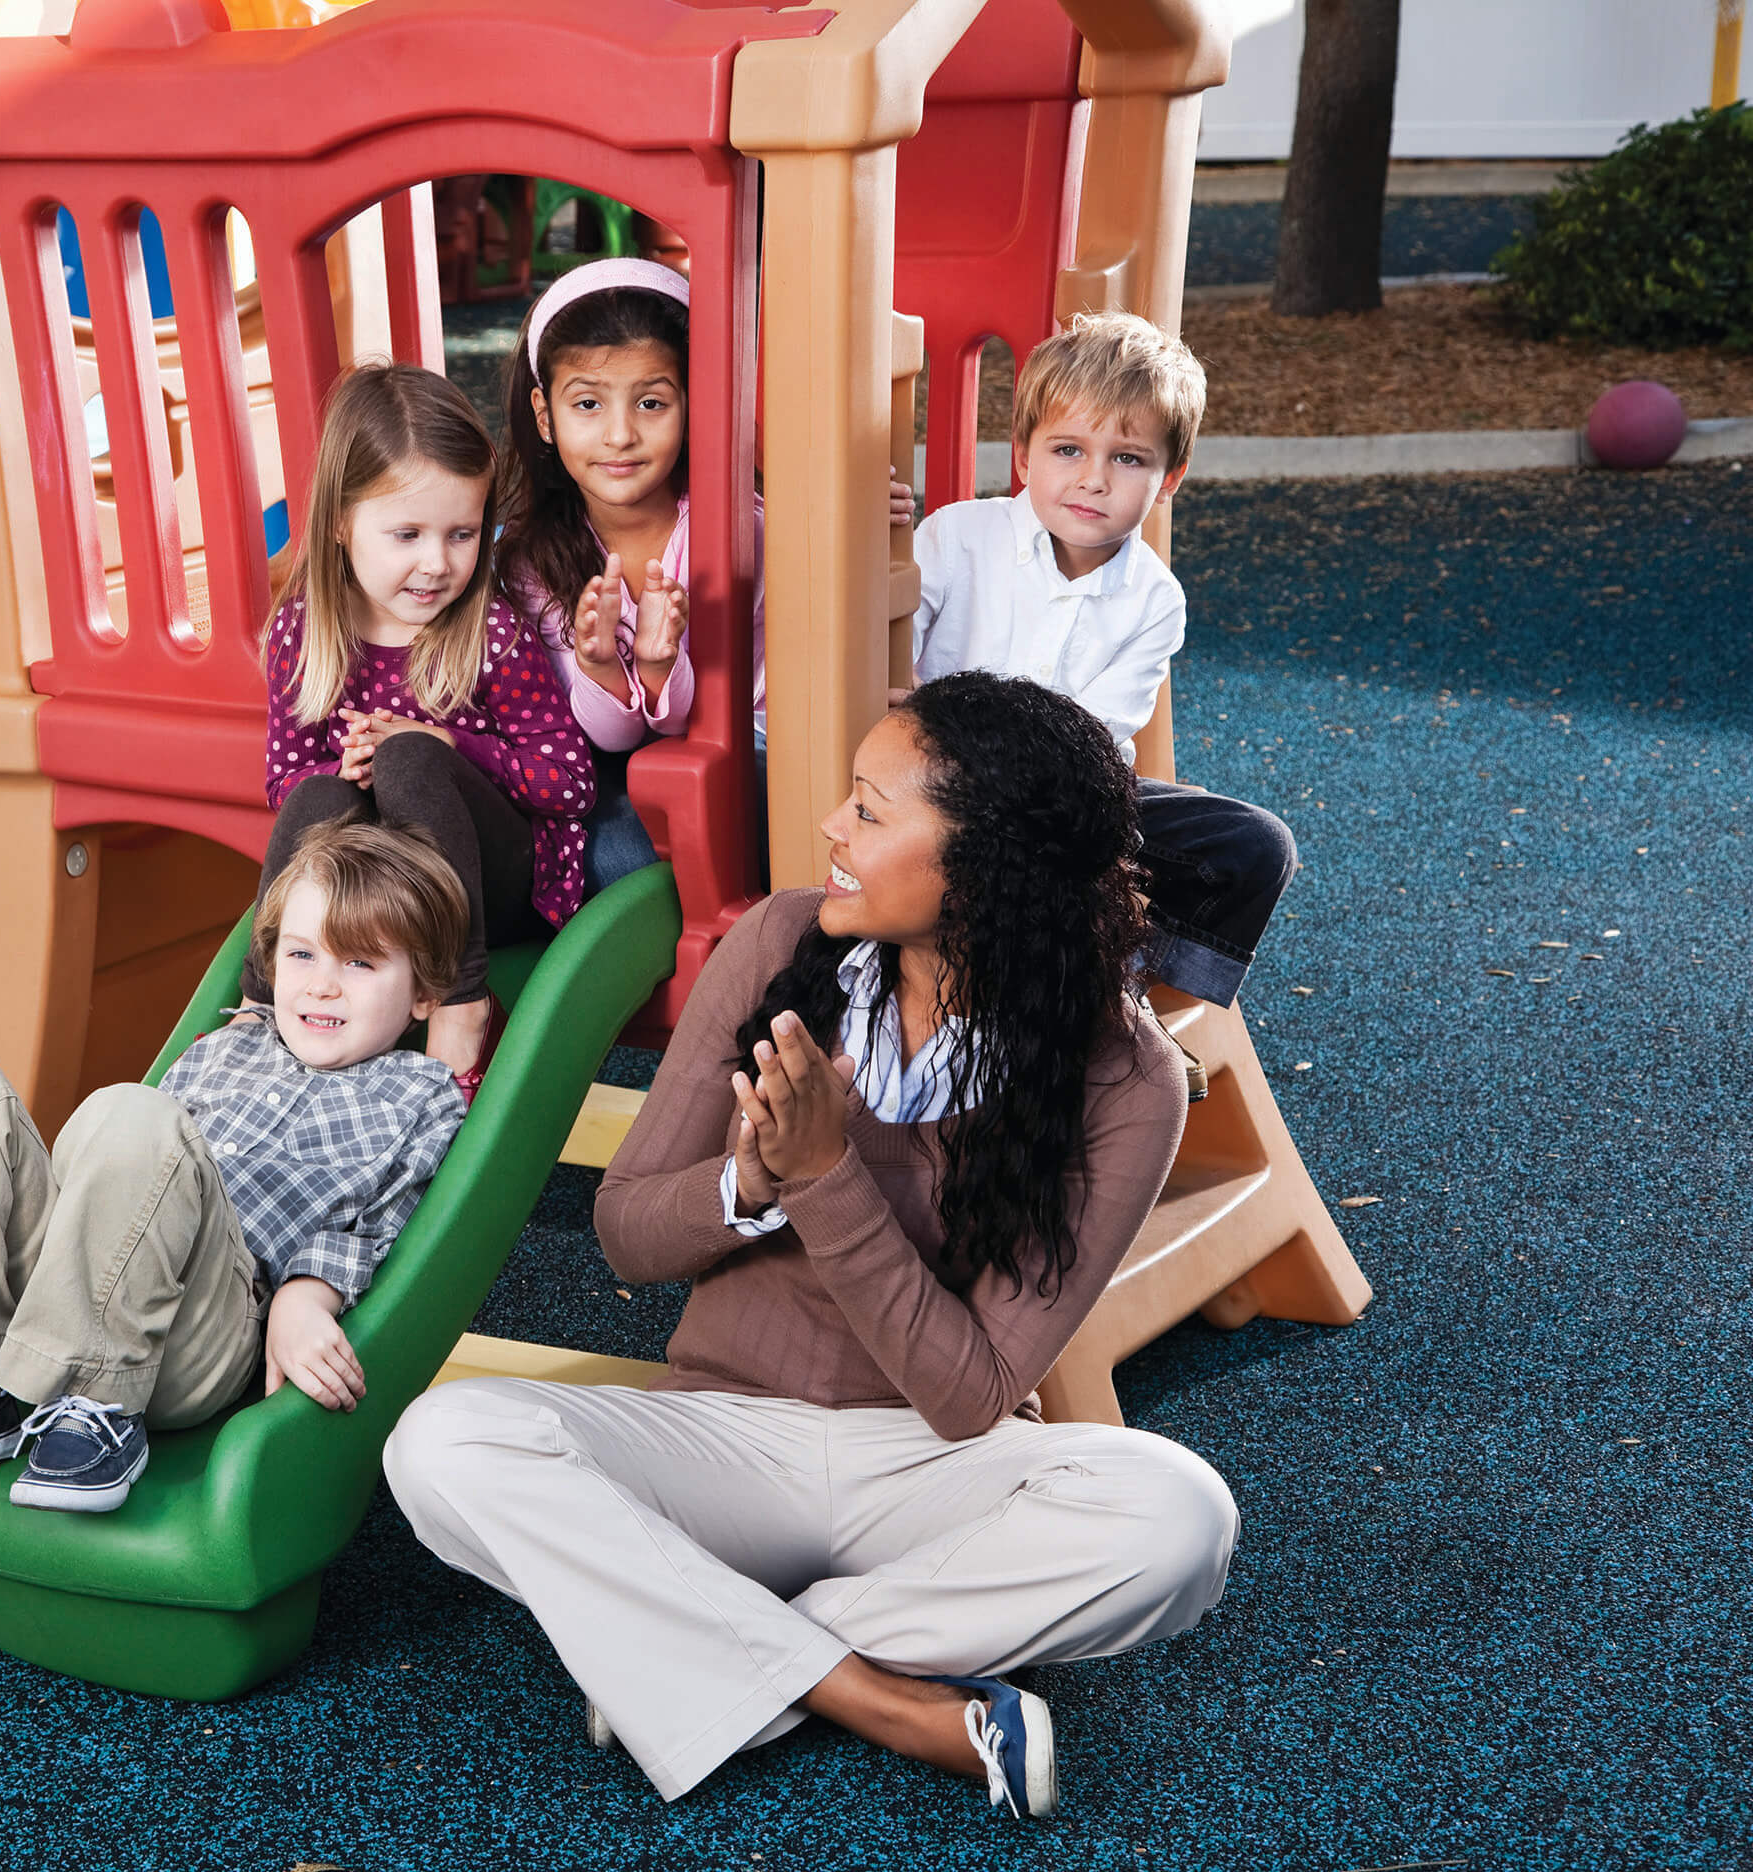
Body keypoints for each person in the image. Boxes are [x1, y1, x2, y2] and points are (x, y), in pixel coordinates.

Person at [384, 672, 1238, 1819]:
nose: (833, 829)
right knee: (441, 1444)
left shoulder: (1126, 1076)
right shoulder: (783, 941)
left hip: (933, 1469)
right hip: (720, 1438)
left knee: (1183, 1520)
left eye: (872, 811)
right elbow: (627, 1237)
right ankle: (882, 1699)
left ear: (988, 867)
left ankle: (688, 1645)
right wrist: (748, 1180)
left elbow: (971, 1394)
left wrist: (829, 1176)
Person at [0, 821, 469, 1515]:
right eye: (302, 954)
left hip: (197, 1332)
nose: (322, 986)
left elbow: (387, 1225)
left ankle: (101, 1411)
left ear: (426, 994)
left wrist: (304, 1295)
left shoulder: (419, 1092)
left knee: (136, 1116)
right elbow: (120, 1179)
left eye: (361, 964)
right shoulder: (222, 1047)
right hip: (68, 1288)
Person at [910, 309, 1299, 1074]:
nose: (1092, 478)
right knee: (1048, 857)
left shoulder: (1155, 600)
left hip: (1069, 802)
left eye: (1127, 458)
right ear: (1023, 455)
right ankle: (1090, 1005)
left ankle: (1120, 998)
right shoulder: (957, 539)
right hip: (939, 790)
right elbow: (884, 648)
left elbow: (1089, 742)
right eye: (1067, 449)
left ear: (1168, 481)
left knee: (1255, 844)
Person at [495, 256, 911, 889]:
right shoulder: (536, 564)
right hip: (629, 765)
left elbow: (824, 612)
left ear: (693, 405)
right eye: (586, 404)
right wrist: (606, 671)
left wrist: (844, 517)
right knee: (609, 856)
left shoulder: (739, 527)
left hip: (759, 746)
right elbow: (604, 741)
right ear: (545, 414)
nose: (619, 435)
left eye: (652, 402)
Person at [249, 362, 595, 1099]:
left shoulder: (490, 632)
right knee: (315, 799)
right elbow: (285, 783)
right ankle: (256, 1003)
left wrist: (448, 744)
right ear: (342, 523)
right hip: (380, 894)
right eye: (406, 533)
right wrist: (344, 772)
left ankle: (466, 1000)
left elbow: (569, 779)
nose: (437, 564)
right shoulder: (302, 634)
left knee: (410, 755)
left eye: (463, 533)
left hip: (491, 891)